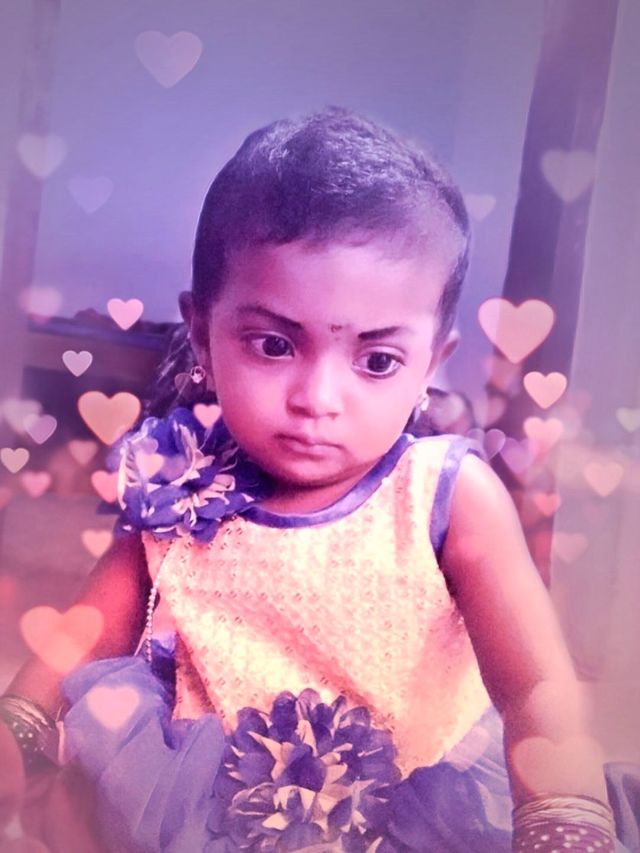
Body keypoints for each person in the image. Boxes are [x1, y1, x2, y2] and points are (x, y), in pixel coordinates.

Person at [1, 106, 637, 852]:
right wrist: (21, 720)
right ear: (202, 334)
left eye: (377, 360)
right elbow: (89, 624)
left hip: (412, 807)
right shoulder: (179, 480)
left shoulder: (447, 494)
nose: (318, 399)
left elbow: (534, 684)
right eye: (274, 345)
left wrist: (564, 812)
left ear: (431, 363)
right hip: (206, 813)